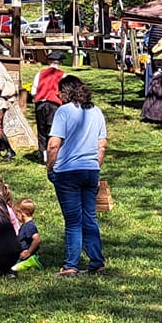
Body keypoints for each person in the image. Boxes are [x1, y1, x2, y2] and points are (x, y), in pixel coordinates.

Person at [45, 75, 108, 275]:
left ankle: (70, 265)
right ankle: (97, 262)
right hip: (90, 170)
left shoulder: (63, 111)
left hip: (67, 171)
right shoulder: (96, 112)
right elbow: (102, 145)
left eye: (60, 90)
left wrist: (49, 167)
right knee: (89, 217)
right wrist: (95, 167)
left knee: (73, 220)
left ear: (67, 92)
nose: (57, 94)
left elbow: (54, 144)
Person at [32, 56, 66, 158]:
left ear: (49, 62)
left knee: (41, 129)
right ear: (60, 62)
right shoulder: (63, 75)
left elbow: (33, 91)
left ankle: (44, 154)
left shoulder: (40, 74)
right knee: (53, 130)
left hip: (40, 104)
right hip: (54, 105)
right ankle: (54, 154)